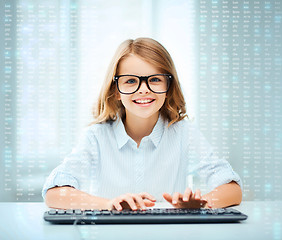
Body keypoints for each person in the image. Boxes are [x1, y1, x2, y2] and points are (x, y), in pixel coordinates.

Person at [42, 37, 242, 211]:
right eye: (130, 81)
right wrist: (110, 204)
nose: (143, 89)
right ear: (116, 90)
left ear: (168, 86)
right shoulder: (97, 136)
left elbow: (233, 190)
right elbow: (54, 194)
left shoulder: (184, 133)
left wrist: (202, 203)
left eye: (154, 79)